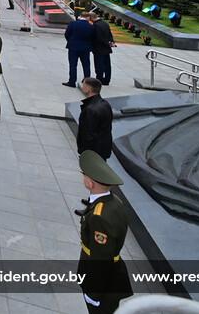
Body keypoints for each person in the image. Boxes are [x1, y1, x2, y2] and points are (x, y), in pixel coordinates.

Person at [77, 150, 133, 314]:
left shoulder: (99, 217)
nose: (84, 177)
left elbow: (101, 259)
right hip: (112, 276)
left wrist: (94, 292)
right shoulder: (113, 201)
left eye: (85, 175)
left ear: (90, 183)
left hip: (102, 282)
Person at [76, 78, 113, 160]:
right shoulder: (105, 104)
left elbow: (88, 135)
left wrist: (84, 152)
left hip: (92, 154)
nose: (82, 88)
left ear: (89, 88)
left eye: (84, 85)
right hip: (102, 150)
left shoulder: (90, 110)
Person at [64, 12, 95, 87]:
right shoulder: (91, 26)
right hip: (85, 48)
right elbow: (93, 37)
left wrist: (71, 41)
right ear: (88, 17)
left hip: (73, 47)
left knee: (73, 65)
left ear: (80, 16)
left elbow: (67, 34)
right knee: (86, 65)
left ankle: (72, 81)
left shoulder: (73, 23)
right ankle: (87, 82)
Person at [90, 12, 115, 85]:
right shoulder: (105, 23)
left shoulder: (96, 25)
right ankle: (107, 79)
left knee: (99, 65)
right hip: (106, 48)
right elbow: (110, 34)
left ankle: (99, 79)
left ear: (92, 18)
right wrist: (110, 42)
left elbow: (98, 38)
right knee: (107, 65)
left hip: (99, 48)